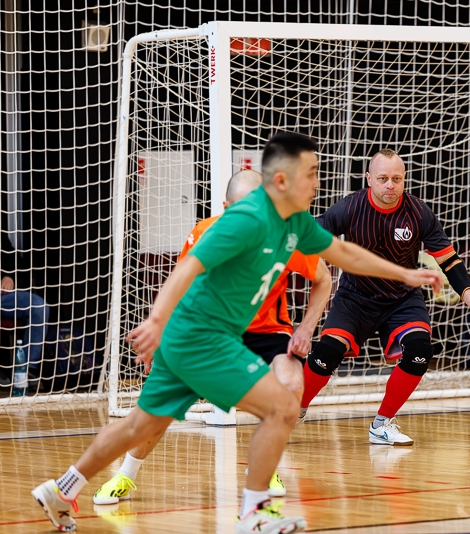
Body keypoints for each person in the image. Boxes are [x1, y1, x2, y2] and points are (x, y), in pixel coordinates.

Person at [31, 133, 443, 534]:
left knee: (138, 426)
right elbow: (187, 269)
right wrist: (156, 322)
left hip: (195, 340)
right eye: (310, 174)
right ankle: (254, 513)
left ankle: (61, 489)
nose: (317, 183)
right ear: (281, 180)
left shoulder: (294, 223)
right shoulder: (246, 220)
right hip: (203, 339)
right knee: (282, 407)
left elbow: (344, 254)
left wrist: (406, 274)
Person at [92, 169, 332, 505]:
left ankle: (266, 468)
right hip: (211, 332)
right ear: (226, 207)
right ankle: (125, 475)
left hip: (267, 332)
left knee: (291, 385)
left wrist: (305, 329)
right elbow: (180, 288)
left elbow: (324, 279)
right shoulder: (206, 233)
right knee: (156, 411)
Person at [299, 149, 470, 446]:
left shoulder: (418, 212)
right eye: (383, 178)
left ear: (404, 179)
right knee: (326, 353)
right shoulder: (349, 207)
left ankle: (382, 424)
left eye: (397, 179)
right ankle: (294, 409)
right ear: (369, 179)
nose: (390, 185)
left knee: (420, 350)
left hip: (402, 299)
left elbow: (449, 260)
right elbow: (312, 234)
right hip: (355, 297)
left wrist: (469, 296)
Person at [0, 191, 49, 399]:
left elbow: (13, 258)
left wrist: (10, 275)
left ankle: (27, 371)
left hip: (4, 294)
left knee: (39, 306)